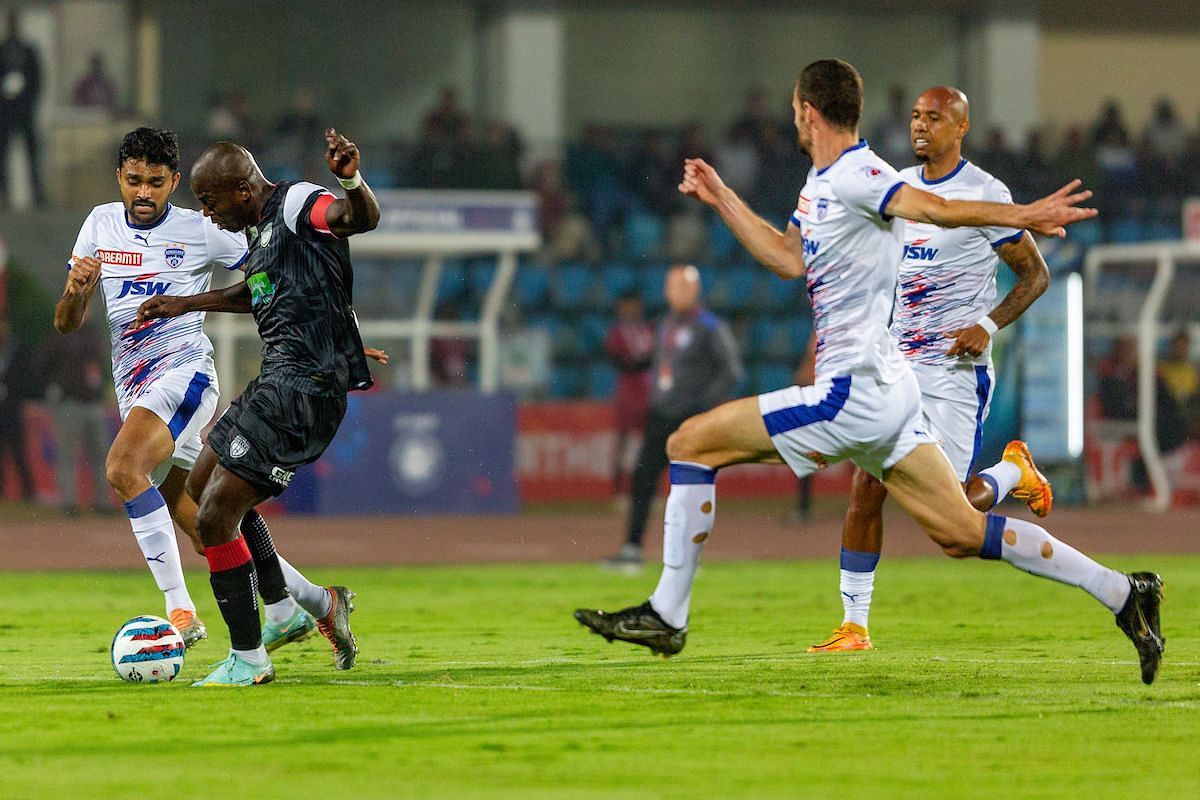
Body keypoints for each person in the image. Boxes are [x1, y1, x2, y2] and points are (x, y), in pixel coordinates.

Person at [575, 59, 1164, 685]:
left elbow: (934, 208)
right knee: (963, 531)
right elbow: (783, 257)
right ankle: (1126, 593)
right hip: (892, 387)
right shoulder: (819, 181)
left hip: (852, 391)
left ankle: (668, 614)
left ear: (806, 109)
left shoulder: (860, 173)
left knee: (688, 444)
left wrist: (1022, 214)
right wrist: (721, 196)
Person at [56, 127, 338, 657]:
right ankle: (312, 601)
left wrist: (320, 327)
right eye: (134, 181)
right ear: (119, 176)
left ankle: (179, 611)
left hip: (184, 371)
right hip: (132, 380)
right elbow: (67, 323)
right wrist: (77, 291)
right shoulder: (98, 224)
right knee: (195, 513)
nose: (143, 193)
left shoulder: (201, 230)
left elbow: (267, 279)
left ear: (174, 182)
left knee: (122, 469)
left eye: (156, 183)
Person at [807, 86, 1053, 653]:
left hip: (954, 373)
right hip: (898, 367)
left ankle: (1013, 471)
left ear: (961, 127)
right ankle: (854, 625)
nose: (921, 127)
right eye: (916, 117)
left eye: (934, 118)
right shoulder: (897, 186)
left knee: (958, 515)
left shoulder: (986, 194)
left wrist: (987, 327)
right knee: (867, 485)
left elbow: (1034, 275)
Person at [135, 128, 381, 686]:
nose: (206, 213)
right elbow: (257, 292)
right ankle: (313, 603)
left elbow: (356, 218)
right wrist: (183, 303)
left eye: (210, 201)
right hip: (277, 380)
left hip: (305, 390)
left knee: (217, 515)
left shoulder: (295, 204)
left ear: (242, 190)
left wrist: (350, 179)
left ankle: (249, 657)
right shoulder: (262, 234)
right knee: (199, 488)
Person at [600, 265, 742, 572]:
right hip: (659, 416)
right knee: (642, 481)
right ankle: (631, 549)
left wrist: (701, 406)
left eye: (681, 287)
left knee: (690, 488)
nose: (675, 292)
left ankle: (689, 557)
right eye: (671, 286)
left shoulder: (709, 326)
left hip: (689, 421)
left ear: (695, 290)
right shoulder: (663, 325)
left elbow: (731, 371)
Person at [37, 316, 114, 514]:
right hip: (69, 401)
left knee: (101, 454)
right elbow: (42, 366)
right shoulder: (58, 335)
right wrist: (55, 390)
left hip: (93, 401)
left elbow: (103, 365)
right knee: (67, 454)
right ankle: (69, 502)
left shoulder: (92, 335)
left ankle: (103, 502)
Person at [604, 291, 655, 497]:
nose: (631, 309)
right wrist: (639, 363)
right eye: (627, 305)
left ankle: (649, 490)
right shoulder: (617, 332)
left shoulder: (648, 329)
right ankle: (619, 491)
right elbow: (616, 358)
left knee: (651, 441)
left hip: (648, 390)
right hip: (627, 390)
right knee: (623, 440)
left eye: (634, 305)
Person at [0, 9, 44, 207]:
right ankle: (4, 194)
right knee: (3, 155)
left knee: (32, 153)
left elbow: (37, 79)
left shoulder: (28, 51)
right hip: (5, 112)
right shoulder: (2, 50)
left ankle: (38, 194)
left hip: (25, 111)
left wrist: (30, 103)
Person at [0, 317, 36, 500]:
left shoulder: (17, 350)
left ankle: (28, 493)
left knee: (18, 451)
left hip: (12, 409)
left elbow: (25, 378)